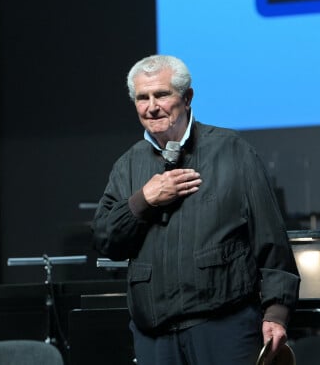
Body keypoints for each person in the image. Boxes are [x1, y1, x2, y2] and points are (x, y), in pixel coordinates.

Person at [92, 54, 300, 365]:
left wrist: (277, 311)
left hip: (224, 330)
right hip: (155, 338)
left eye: (161, 94)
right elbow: (106, 240)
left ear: (187, 98)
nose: (151, 106)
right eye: (142, 97)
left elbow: (270, 240)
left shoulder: (232, 151)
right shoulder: (127, 166)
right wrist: (144, 199)